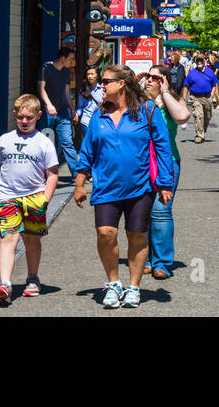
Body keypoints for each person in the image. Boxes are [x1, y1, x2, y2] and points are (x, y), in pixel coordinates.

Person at [73, 65, 176, 309]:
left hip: (140, 187)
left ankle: (134, 287)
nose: (101, 85)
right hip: (106, 186)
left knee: (137, 235)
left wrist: (164, 183)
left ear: (121, 84)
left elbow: (163, 148)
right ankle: (113, 283)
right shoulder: (99, 115)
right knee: (105, 233)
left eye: (106, 81)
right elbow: (87, 151)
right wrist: (79, 183)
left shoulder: (148, 110)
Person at [0, 94, 59, 304]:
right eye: (21, 117)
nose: (25, 121)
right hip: (7, 197)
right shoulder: (5, 140)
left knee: (31, 238)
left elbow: (52, 174)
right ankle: (5, 284)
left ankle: (32, 278)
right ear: (15, 115)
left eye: (29, 117)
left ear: (38, 116)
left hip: (34, 197)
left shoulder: (44, 142)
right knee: (9, 238)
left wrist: (45, 199)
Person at [142, 64, 191, 280]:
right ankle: (149, 259)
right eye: (148, 77)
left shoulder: (170, 102)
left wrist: (164, 91)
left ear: (165, 81)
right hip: (140, 164)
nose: (150, 80)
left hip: (166, 162)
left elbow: (183, 116)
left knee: (160, 211)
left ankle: (162, 262)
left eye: (156, 77)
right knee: (143, 213)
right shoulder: (137, 101)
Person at [38, 47, 79, 178]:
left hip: (63, 114)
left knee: (68, 142)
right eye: (70, 59)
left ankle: (77, 174)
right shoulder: (46, 68)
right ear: (63, 58)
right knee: (47, 144)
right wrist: (48, 105)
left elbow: (67, 92)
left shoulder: (66, 71)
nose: (72, 62)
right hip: (47, 113)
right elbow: (41, 88)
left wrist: (72, 109)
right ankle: (45, 175)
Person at [184, 54, 218, 143]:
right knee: (199, 116)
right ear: (195, 62)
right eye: (197, 61)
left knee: (208, 116)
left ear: (204, 61)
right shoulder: (192, 73)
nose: (199, 62)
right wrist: (183, 98)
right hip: (195, 97)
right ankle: (199, 135)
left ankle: (202, 130)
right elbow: (186, 86)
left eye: (201, 61)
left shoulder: (210, 72)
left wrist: (212, 95)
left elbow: (214, 85)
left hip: (207, 97)